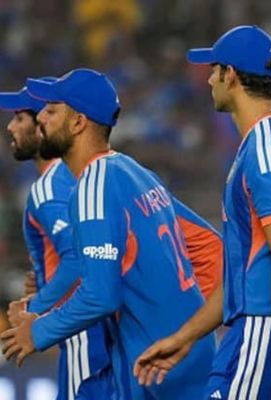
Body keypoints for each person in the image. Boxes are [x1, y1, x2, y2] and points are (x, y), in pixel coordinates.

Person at [134, 25, 271, 400]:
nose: (209, 80)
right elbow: (245, 275)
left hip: (268, 328)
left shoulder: (269, 152)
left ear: (231, 76)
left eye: (214, 70)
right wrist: (185, 338)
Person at [0, 68, 219, 400]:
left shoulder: (94, 187)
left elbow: (101, 295)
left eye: (51, 111)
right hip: (186, 348)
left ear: (78, 123)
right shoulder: (134, 172)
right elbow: (208, 243)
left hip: (154, 361)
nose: (40, 118)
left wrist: (37, 330)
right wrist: (186, 317)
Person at [0, 84, 115, 399]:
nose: (10, 127)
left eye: (20, 118)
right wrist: (44, 280)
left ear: (43, 126)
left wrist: (33, 307)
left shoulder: (49, 187)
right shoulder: (79, 175)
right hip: (98, 322)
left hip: (80, 327)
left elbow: (78, 259)